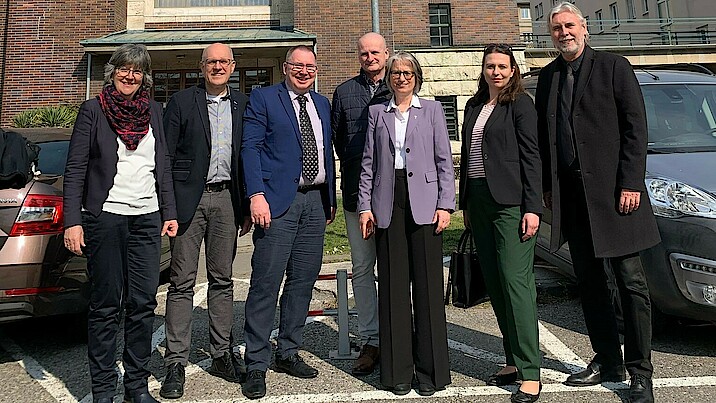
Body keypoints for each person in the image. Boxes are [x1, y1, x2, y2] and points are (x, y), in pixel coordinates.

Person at [535, 3, 660, 403]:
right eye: (556, 28)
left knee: (631, 283)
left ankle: (641, 372)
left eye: (569, 25)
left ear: (585, 29)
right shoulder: (550, 76)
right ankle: (608, 360)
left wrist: (630, 182)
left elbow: (635, 128)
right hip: (573, 199)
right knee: (590, 283)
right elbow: (545, 136)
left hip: (616, 196)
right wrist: (547, 187)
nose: (563, 33)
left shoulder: (614, 66)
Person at [63, 44, 178, 403]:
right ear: (112, 71)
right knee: (106, 305)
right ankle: (102, 391)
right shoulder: (93, 110)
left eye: (138, 71)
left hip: (146, 218)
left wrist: (169, 211)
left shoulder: (153, 112)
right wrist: (72, 221)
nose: (131, 75)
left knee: (143, 304)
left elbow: (162, 164)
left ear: (145, 78)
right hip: (106, 218)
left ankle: (136, 387)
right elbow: (76, 169)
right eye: (125, 69)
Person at [240, 45, 337, 400]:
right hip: (276, 203)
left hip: (315, 202)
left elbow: (326, 150)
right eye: (298, 65)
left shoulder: (322, 104)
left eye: (310, 66)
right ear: (285, 67)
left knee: (303, 281)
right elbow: (249, 148)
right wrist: (256, 195)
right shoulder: (264, 99)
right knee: (266, 282)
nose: (304, 71)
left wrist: (329, 198)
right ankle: (256, 362)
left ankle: (288, 351)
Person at [357, 51, 455, 397]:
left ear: (417, 76)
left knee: (428, 288)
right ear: (389, 78)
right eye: (396, 73)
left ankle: (430, 373)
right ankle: (398, 372)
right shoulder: (375, 114)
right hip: (388, 202)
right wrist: (364, 207)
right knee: (394, 287)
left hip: (426, 204)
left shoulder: (431, 111)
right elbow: (368, 164)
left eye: (407, 72)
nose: (401, 78)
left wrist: (446, 205)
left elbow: (445, 160)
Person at [160, 43, 251, 399]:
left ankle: (221, 353)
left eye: (223, 61)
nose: (218, 67)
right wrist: (167, 207)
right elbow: (165, 156)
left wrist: (245, 207)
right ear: (201, 66)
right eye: (211, 61)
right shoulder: (182, 102)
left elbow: (248, 154)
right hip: (188, 201)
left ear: (233, 66)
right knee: (181, 282)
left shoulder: (244, 103)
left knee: (222, 279)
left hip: (228, 199)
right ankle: (175, 362)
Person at [458, 43, 542, 403]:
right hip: (478, 201)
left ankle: (531, 372)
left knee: (515, 282)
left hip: (511, 205)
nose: (496, 71)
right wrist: (464, 201)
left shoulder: (520, 104)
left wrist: (532, 207)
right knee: (494, 282)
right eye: (490, 65)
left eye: (502, 66)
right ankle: (512, 360)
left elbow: (531, 156)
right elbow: (468, 156)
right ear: (483, 69)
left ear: (512, 70)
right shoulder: (474, 105)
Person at [331, 31, 391, 376]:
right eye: (364, 53)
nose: (370, 57)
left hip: (397, 197)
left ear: (386, 53)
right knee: (364, 268)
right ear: (359, 56)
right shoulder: (344, 92)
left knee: (397, 266)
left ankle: (398, 329)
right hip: (358, 196)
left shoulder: (399, 85)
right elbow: (339, 142)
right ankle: (371, 339)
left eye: (375, 52)